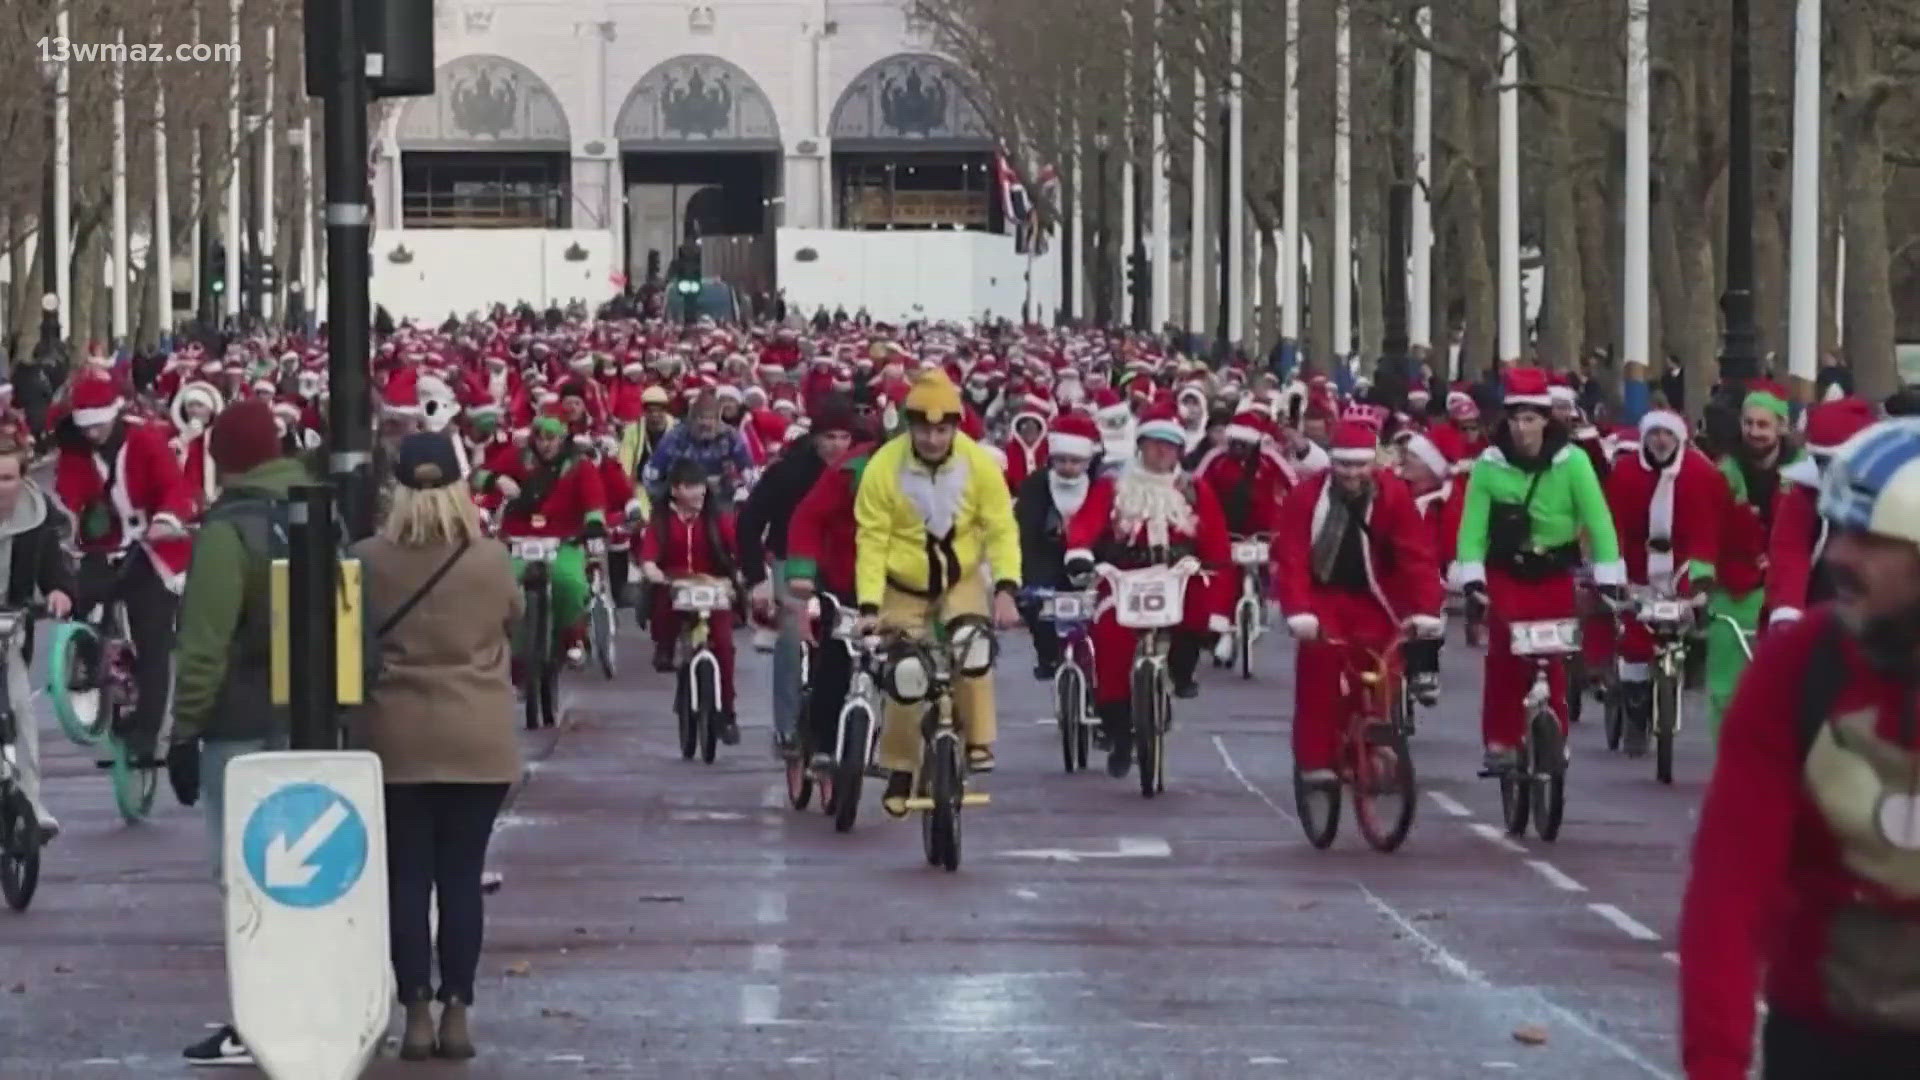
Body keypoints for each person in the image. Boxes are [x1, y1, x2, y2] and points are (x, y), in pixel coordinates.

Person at [1679, 419, 1920, 1079]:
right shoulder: (1799, 669)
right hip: (1824, 1036)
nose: (1838, 555)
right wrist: (1715, 1065)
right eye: (1838, 531)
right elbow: (1729, 889)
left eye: (1870, 540)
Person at [352, 433, 522, 1062]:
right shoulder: (490, 559)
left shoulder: (368, 558)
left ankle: (415, 1009)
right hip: (476, 736)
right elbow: (514, 618)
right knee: (460, 879)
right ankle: (458, 1010)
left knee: (407, 878)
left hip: (395, 735)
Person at [166, 400, 313, 1067]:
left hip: (241, 724)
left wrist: (183, 731)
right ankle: (319, 1000)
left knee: (244, 875)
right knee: (315, 871)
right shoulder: (318, 508)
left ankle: (255, 1016)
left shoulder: (229, 531)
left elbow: (204, 645)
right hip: (314, 718)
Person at [852, 370, 1022, 815]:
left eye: (942, 429)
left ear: (956, 428)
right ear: (909, 426)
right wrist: (870, 606)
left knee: (974, 648)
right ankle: (901, 768)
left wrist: (1005, 588)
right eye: (923, 429)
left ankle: (980, 739)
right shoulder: (883, 468)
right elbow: (871, 540)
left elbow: (1002, 529)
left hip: (960, 580)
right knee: (907, 676)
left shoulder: (979, 465)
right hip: (901, 587)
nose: (931, 439)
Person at [1454, 367, 1623, 772]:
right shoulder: (1488, 466)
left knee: (1554, 655)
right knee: (1505, 659)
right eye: (1514, 419)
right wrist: (1473, 577)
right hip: (1506, 574)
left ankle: (1556, 735)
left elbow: (1598, 521)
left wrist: (1608, 576)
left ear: (1546, 420)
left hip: (1553, 572)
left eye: (1530, 419)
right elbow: (1472, 528)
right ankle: (1500, 740)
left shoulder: (1574, 462)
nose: (1522, 428)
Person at [1063, 401, 1233, 777]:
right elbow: (1086, 523)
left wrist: (1219, 598)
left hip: (1179, 573)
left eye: (1169, 445)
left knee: (1198, 611)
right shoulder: (1112, 486)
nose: (1161, 452)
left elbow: (1217, 545)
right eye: (1154, 443)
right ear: (1140, 445)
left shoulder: (1194, 489)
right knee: (1109, 639)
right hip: (1125, 575)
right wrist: (1079, 553)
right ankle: (1119, 732)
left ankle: (1180, 672)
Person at [1275, 419, 1443, 784]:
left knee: (1382, 664)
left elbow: (1416, 556)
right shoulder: (1305, 496)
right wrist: (1298, 610)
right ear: (1332, 463)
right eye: (1343, 465)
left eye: (1359, 465)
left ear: (1373, 464)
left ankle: (1374, 736)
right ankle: (1315, 758)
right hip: (1323, 593)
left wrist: (1426, 609)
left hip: (1375, 595)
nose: (1351, 474)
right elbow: (1292, 557)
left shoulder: (1393, 495)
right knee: (1320, 665)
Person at [53, 373, 194, 769]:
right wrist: (83, 510)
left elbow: (174, 486)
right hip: (103, 545)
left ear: (114, 414)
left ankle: (146, 737)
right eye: (88, 426)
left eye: (100, 424)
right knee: (84, 600)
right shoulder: (74, 448)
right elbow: (69, 488)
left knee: (153, 640)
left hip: (152, 548)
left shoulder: (145, 440)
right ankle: (88, 670)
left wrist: (167, 517)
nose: (94, 433)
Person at [737, 394, 860, 754]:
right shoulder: (787, 471)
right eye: (829, 437)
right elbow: (750, 521)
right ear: (815, 437)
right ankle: (787, 727)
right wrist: (755, 575)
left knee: (855, 640)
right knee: (792, 638)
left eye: (844, 438)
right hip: (791, 562)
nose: (836, 445)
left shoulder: (862, 470)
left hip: (841, 566)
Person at [1600, 408, 1723, 754]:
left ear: (1680, 438)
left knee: (1697, 624)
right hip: (1637, 568)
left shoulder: (1701, 474)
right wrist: (1613, 569)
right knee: (1635, 642)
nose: (1660, 441)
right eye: (1653, 434)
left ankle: (1689, 670)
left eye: (1667, 434)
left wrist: (1702, 576)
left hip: (1684, 568)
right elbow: (1612, 523)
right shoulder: (1625, 473)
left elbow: (1710, 527)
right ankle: (1635, 713)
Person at [475, 404, 608, 667]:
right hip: (519, 540)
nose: (545, 445)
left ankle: (573, 637)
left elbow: (595, 503)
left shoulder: (580, 467)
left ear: (563, 438)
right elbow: (478, 476)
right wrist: (495, 481)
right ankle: (508, 645)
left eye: (552, 438)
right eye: (541, 438)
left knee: (569, 583)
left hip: (563, 541)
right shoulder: (517, 458)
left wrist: (593, 524)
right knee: (503, 587)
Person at [783, 425, 882, 768]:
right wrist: (801, 571)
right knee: (836, 658)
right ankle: (822, 741)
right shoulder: (849, 471)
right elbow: (808, 517)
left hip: (902, 586)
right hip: (843, 580)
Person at [1705, 380, 1799, 732]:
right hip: (1735, 587)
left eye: (1763, 425)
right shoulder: (1724, 472)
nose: (1755, 432)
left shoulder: (1802, 473)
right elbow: (1707, 528)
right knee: (1726, 689)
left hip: (1787, 590)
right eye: (1749, 424)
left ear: (1781, 427)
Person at [0, 437, 75, 837]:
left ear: (22, 479)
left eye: (8, 478)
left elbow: (52, 565)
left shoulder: (36, 515)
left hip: (9, 625)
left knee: (19, 708)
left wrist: (58, 590)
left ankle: (31, 801)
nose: (1, 488)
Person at [640, 457, 743, 744]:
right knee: (664, 612)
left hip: (714, 585)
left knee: (723, 646)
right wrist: (653, 571)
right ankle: (665, 648)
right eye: (689, 486)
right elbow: (649, 552)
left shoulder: (716, 517)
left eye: (699, 486)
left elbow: (736, 547)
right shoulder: (661, 519)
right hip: (675, 583)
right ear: (675, 490)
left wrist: (744, 573)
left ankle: (728, 713)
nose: (697, 492)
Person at [1765, 397, 1877, 630]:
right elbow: (1789, 551)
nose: (1827, 472)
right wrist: (1787, 613)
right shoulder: (1804, 494)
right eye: (1820, 461)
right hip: (1818, 612)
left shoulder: (1895, 494)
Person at [1013, 412, 1101, 680]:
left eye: (1075, 461)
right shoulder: (1035, 486)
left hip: (1090, 562)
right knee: (1036, 610)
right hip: (1044, 559)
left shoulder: (1100, 486)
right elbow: (1026, 533)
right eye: (1060, 460)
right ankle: (1048, 656)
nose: (1067, 467)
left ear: (1087, 461)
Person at [641, 390, 756, 508]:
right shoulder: (676, 437)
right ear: (692, 419)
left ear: (718, 420)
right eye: (701, 418)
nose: (706, 423)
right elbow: (651, 472)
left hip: (719, 496)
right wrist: (661, 499)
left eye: (710, 418)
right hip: (682, 497)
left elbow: (747, 470)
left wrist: (751, 493)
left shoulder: (730, 436)